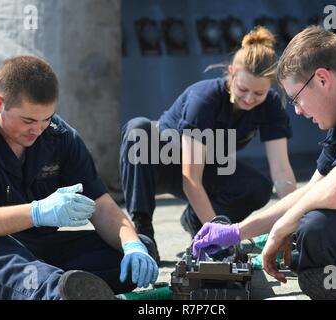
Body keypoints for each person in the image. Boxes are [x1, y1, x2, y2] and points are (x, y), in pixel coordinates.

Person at [193, 25, 336, 299]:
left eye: (296, 98)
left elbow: (335, 192)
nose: (298, 110)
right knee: (309, 229)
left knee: (314, 227)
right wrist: (236, 231)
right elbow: (312, 190)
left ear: (321, 79)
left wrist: (284, 225)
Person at [0, 56, 158, 300]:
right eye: (28, 120)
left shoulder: (58, 136)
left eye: (47, 118)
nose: (38, 129)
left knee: (139, 248)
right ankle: (57, 294)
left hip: (37, 252)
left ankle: (26, 288)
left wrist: (131, 245)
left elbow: (102, 206)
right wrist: (36, 212)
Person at [121, 26, 296, 260]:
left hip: (207, 166)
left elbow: (282, 170)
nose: (249, 99)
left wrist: (293, 222)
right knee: (138, 129)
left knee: (257, 187)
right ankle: (144, 231)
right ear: (231, 73)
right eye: (243, 89)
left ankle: (195, 222)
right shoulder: (205, 99)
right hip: (159, 166)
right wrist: (217, 233)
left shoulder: (271, 105)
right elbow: (189, 178)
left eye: (258, 94)